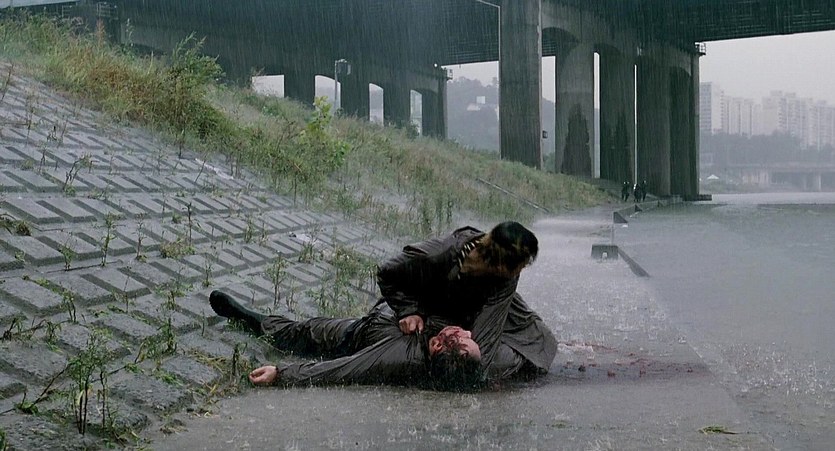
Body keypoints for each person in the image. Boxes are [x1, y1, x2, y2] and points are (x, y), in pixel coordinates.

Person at [376, 221, 557, 375]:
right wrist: (409, 311)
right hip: (433, 305)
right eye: (521, 265)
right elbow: (386, 272)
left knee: (542, 341)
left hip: (484, 310)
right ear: (502, 265)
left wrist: (475, 373)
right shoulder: (438, 254)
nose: (522, 270)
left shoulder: (506, 278)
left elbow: (488, 329)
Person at [210, 290, 483, 391]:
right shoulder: (449, 347)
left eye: (461, 337)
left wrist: (281, 373)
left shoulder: (397, 356)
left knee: (298, 333)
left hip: (347, 337)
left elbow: (344, 369)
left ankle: (248, 319)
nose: (467, 333)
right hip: (372, 321)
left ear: (437, 346)